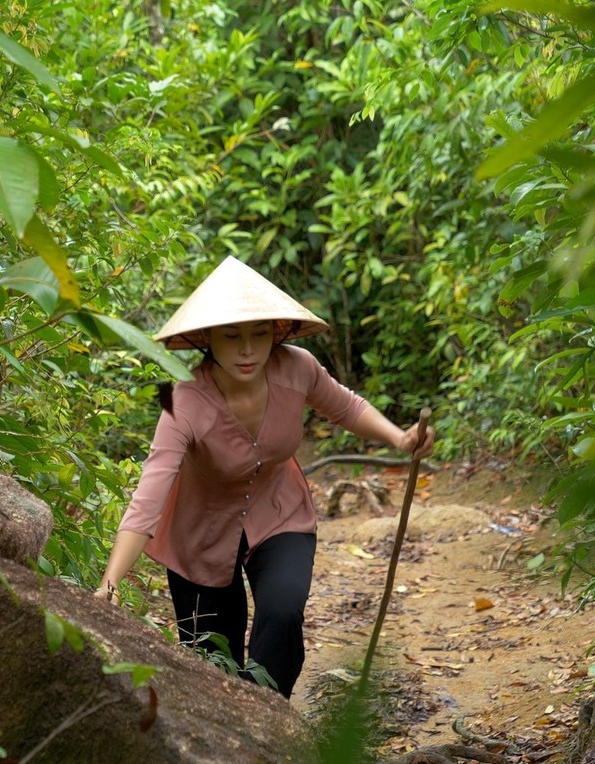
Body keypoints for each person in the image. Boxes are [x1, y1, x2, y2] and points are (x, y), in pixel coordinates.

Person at [94, 256, 434, 699]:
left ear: (275, 334)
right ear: (207, 339)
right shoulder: (183, 400)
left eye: (259, 335)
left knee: (282, 612)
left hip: (279, 514)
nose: (248, 350)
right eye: (232, 337)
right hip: (200, 535)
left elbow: (346, 406)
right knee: (212, 660)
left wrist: (400, 438)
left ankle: (269, 717)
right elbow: (149, 496)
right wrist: (110, 582)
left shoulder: (297, 367)